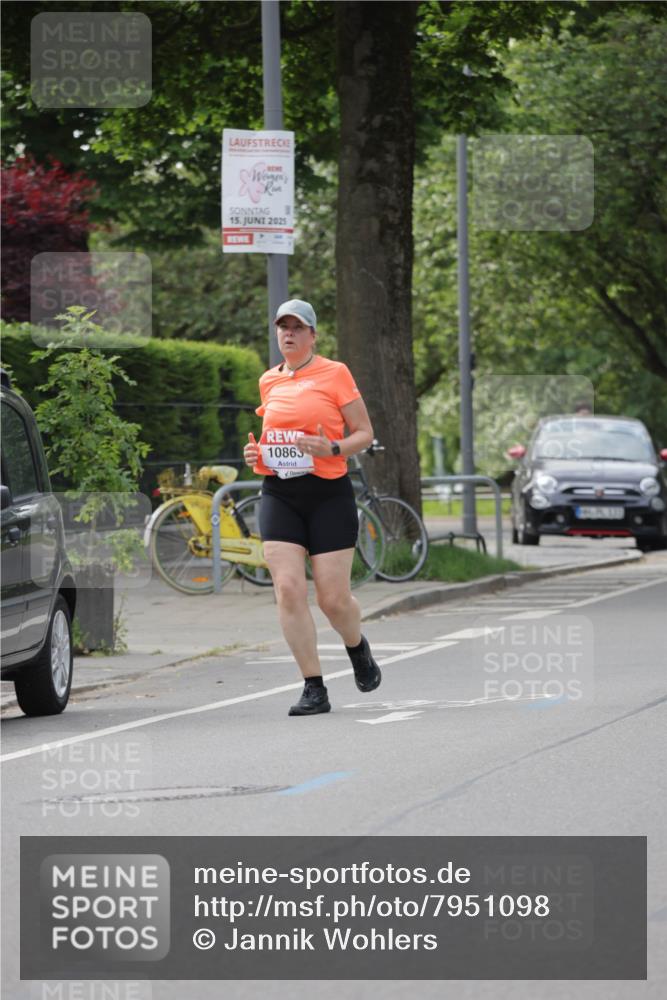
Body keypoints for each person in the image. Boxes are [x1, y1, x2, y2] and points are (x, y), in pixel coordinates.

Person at [243, 298, 382, 716]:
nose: (288, 333)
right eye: (282, 327)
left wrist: (333, 446)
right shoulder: (269, 381)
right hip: (280, 493)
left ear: (312, 335)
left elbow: (364, 432)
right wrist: (257, 456)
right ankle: (314, 687)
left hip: (328, 494)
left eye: (297, 327)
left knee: (333, 599)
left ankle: (357, 647)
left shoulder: (335, 373)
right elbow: (272, 440)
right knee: (287, 588)